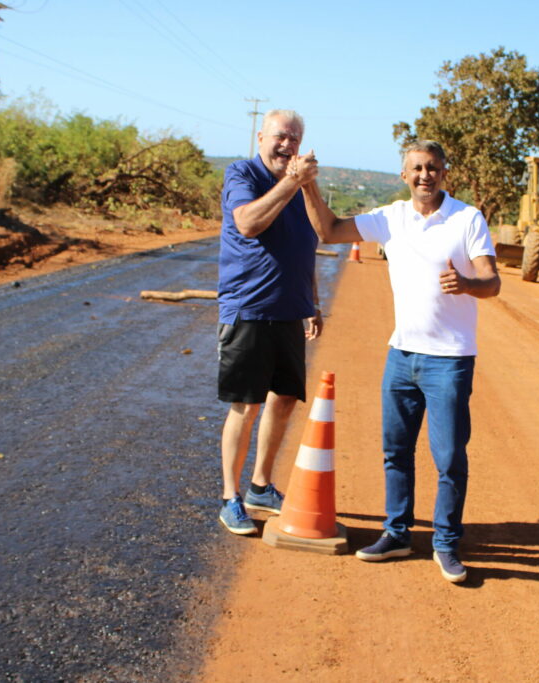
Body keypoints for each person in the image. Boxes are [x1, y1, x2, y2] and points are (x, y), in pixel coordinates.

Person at [292, 140, 501, 583]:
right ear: (404, 176)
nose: (425, 175)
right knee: (395, 451)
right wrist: (309, 185)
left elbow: (491, 280)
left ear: (445, 172)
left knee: (447, 458)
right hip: (401, 355)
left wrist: (466, 283)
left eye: (432, 168)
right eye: (416, 169)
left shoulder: (467, 219)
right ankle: (397, 532)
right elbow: (329, 231)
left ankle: (445, 544)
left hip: (450, 359)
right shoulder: (391, 218)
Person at [215, 109, 323, 536]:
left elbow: (308, 243)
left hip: (288, 311)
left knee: (283, 398)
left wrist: (312, 301)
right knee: (246, 404)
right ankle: (230, 497)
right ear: (261, 136)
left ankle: (260, 486)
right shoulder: (242, 173)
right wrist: (293, 181)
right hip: (249, 309)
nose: (287, 145)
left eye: (294, 139)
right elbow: (247, 222)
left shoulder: (300, 188)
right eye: (280, 136)